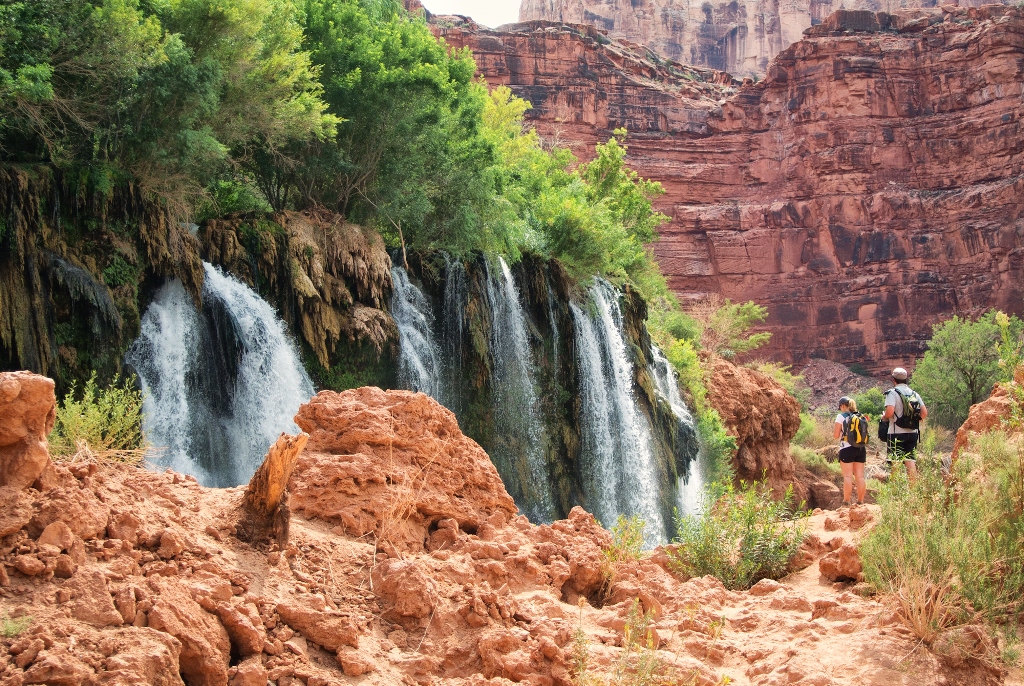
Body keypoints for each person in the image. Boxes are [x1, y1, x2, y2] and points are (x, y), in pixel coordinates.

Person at [882, 366, 927, 481]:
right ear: (906, 379)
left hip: (896, 433)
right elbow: (924, 413)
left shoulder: (892, 393)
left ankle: (896, 492)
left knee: (895, 463)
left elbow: (890, 412)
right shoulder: (914, 394)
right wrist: (912, 421)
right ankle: (913, 492)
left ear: (894, 380)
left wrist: (884, 416)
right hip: (913, 433)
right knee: (910, 462)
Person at [833, 396, 866, 506]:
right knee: (860, 476)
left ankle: (846, 502)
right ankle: (860, 501)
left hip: (846, 448)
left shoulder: (841, 416)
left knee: (847, 476)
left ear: (843, 406)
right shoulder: (860, 416)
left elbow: (836, 435)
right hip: (861, 448)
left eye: (841, 407)